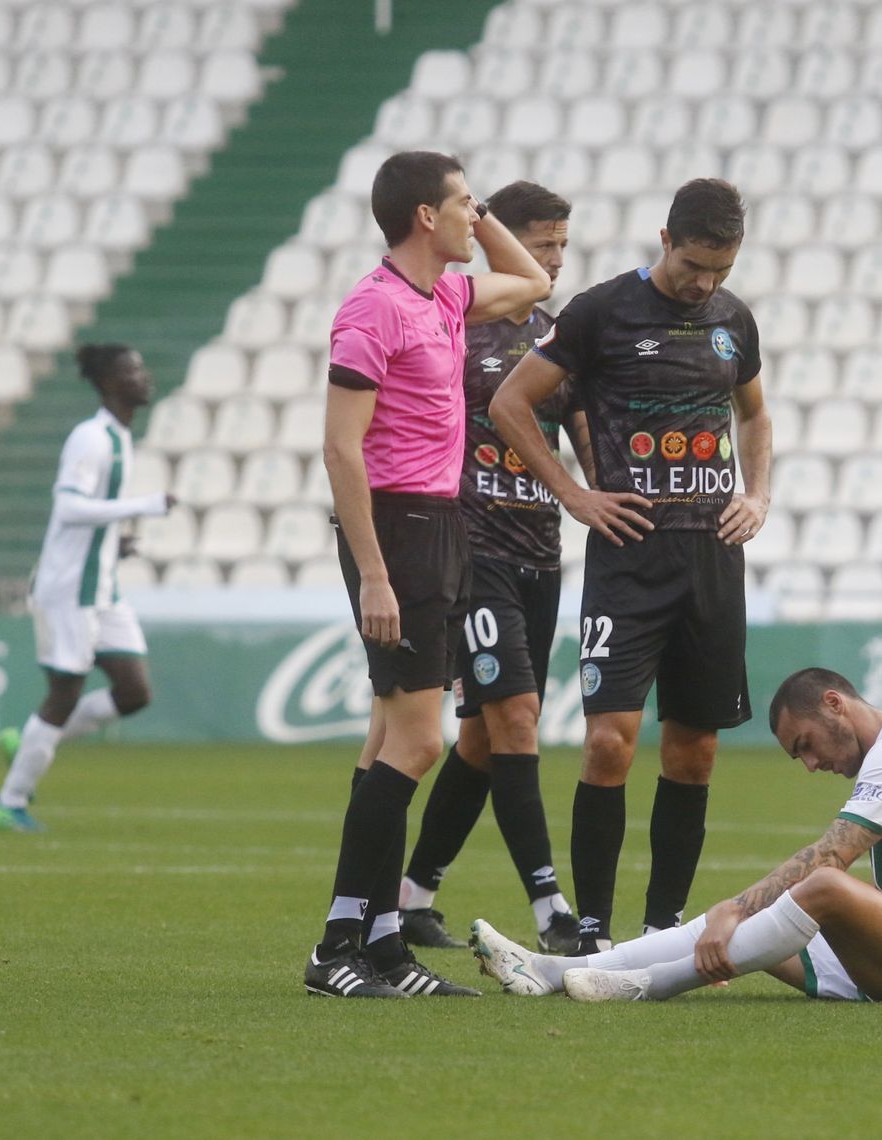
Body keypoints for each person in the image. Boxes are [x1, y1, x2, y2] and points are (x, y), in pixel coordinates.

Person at [491, 178, 773, 953]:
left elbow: (754, 413)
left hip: (712, 561)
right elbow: (511, 404)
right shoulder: (601, 313)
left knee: (695, 750)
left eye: (721, 268)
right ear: (663, 239)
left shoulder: (732, 319)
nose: (705, 283)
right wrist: (574, 495)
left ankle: (661, 930)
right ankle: (590, 928)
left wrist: (759, 494)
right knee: (609, 741)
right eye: (693, 265)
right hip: (629, 560)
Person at [303, 150, 552, 999]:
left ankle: (377, 944)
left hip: (441, 524)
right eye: (462, 205)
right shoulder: (371, 309)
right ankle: (338, 945)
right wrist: (372, 571)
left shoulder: (443, 294)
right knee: (416, 742)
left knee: (387, 740)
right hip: (398, 531)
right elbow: (341, 447)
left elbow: (532, 285)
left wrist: (480, 218)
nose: (474, 217)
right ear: (424, 217)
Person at [470, 667, 882, 1003]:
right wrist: (733, 913)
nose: (811, 764)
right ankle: (552, 968)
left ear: (834, 704)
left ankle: (648, 986)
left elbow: (832, 855)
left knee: (821, 887)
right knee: (733, 930)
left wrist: (738, 906)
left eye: (806, 744)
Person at [398, 180, 593, 955]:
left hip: (539, 554)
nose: (553, 260)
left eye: (562, 247)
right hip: (472, 554)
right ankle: (551, 910)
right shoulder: (454, 320)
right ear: (499, 242)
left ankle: (413, 896)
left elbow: (585, 434)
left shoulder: (558, 339)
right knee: (514, 721)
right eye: (542, 244)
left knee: (483, 738)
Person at [0, 345, 175, 833]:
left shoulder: (119, 437)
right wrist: (144, 505)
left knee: (134, 692)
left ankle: (27, 738)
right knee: (64, 694)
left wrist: (116, 544)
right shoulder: (89, 439)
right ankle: (10, 801)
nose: (143, 376)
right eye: (131, 370)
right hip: (68, 590)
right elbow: (69, 507)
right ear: (108, 382)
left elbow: (91, 517)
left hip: (102, 587)